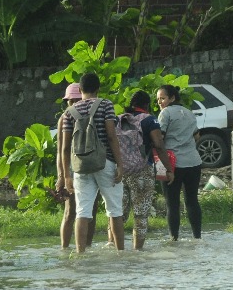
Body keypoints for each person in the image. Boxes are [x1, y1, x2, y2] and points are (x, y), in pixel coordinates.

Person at [59, 72, 125, 253]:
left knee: (82, 212)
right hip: (106, 163)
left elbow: (65, 148)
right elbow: (111, 136)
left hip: (81, 167)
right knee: (114, 210)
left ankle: (80, 254)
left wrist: (66, 175)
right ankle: (121, 254)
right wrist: (120, 164)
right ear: (98, 89)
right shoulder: (105, 105)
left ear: (80, 90)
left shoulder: (69, 112)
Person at [122, 90, 174, 250]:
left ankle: (115, 248)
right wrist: (169, 169)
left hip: (120, 171)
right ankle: (138, 251)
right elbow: (159, 144)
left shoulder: (120, 119)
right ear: (146, 105)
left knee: (118, 213)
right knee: (140, 214)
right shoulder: (150, 120)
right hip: (142, 171)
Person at [56, 82, 101, 250]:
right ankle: (65, 248)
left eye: (76, 100)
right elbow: (61, 150)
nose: (74, 104)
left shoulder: (92, 114)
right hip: (73, 169)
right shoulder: (65, 118)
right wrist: (62, 175)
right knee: (70, 210)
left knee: (91, 210)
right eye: (70, 102)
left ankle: (86, 247)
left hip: (90, 165)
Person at [156, 84, 204, 240]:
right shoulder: (189, 113)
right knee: (192, 200)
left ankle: (174, 239)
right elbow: (197, 136)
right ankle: (197, 237)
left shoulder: (165, 113)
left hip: (172, 163)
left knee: (172, 203)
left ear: (172, 98)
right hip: (193, 161)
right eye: (158, 100)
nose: (160, 102)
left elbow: (160, 138)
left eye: (162, 98)